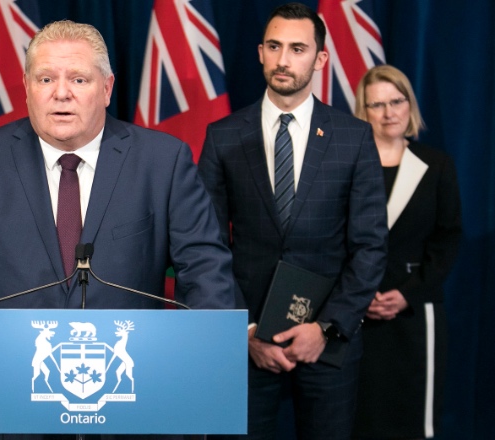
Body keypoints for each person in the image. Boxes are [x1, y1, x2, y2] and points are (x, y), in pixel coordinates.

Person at [0, 19, 236, 438]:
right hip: (5, 404)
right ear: (27, 87)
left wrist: (199, 368)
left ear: (106, 88)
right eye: (45, 78)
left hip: (135, 407)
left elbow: (207, 271)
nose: (61, 93)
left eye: (79, 79)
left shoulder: (162, 161)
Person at [198, 3, 388, 439]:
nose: (284, 60)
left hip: (327, 341)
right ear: (260, 52)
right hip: (247, 345)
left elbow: (371, 245)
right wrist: (244, 330)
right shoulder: (223, 135)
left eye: (298, 48)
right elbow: (205, 246)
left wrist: (325, 328)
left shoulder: (353, 137)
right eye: (275, 46)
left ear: (320, 59)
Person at [351, 65, 462, 440]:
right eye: (377, 105)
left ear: (409, 103)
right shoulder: (349, 167)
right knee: (361, 419)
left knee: (414, 421)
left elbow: (448, 240)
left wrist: (407, 294)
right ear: (362, 112)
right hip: (358, 314)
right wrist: (357, 294)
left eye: (396, 101)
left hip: (416, 312)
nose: (389, 113)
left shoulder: (436, 165)